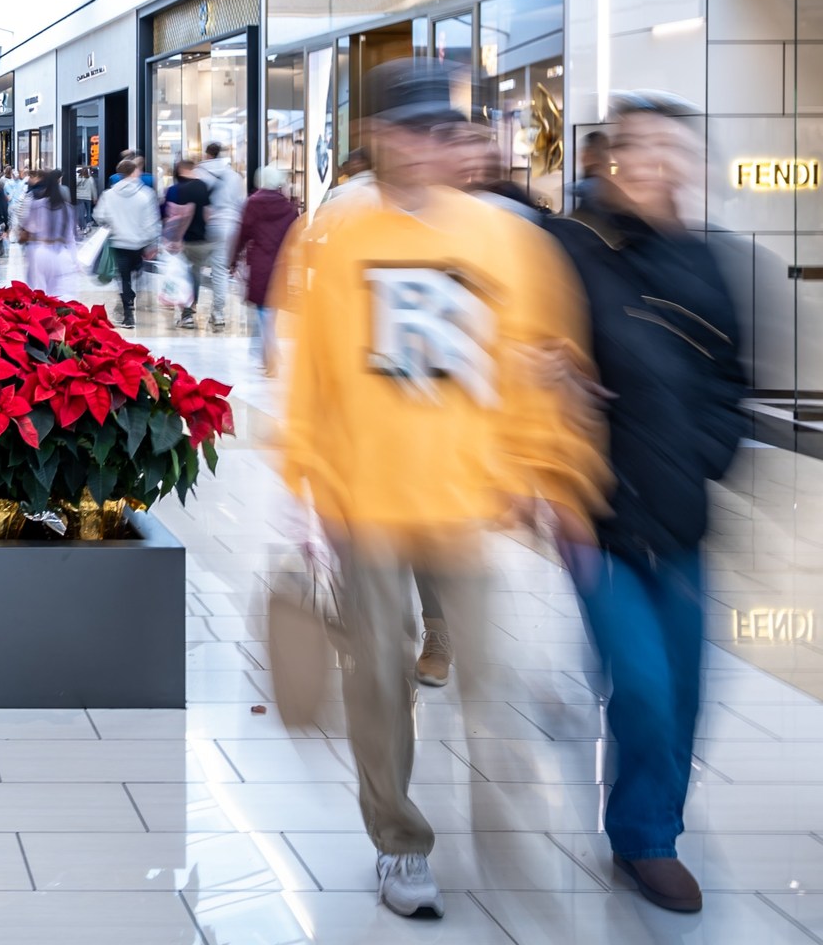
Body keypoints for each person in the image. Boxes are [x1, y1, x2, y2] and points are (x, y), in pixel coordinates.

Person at [279, 60, 604, 921]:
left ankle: (504, 822)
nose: (430, 148)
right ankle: (399, 839)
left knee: (487, 674)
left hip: (466, 500)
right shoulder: (338, 235)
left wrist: (550, 474)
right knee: (380, 678)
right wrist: (303, 491)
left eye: (442, 131)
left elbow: (541, 366)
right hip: (364, 499)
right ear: (380, 138)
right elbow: (309, 372)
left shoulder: (507, 242)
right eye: (411, 131)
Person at [548, 94, 745, 914]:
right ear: (613, 158)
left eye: (677, 150)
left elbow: (732, 384)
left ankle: (653, 812)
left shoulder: (711, 260)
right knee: (644, 684)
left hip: (684, 513)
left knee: (688, 690)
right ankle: (644, 841)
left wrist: (705, 456)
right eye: (644, 148)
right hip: (599, 511)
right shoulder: (569, 249)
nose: (661, 164)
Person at [227, 166, 298, 375]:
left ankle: (271, 357)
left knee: (263, 311)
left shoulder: (253, 203)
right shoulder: (288, 207)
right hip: (281, 264)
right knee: (269, 312)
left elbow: (243, 233)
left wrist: (232, 260)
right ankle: (267, 355)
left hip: (260, 262)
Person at [96, 157, 162, 328]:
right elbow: (151, 221)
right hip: (139, 243)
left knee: (123, 278)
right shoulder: (145, 195)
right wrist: (152, 243)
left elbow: (99, 216)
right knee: (139, 273)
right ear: (134, 172)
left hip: (119, 243)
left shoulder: (109, 195)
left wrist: (113, 225)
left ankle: (128, 313)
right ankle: (138, 300)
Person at [197, 142, 245, 327]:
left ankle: (189, 310)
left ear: (207, 154)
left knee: (194, 268)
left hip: (205, 226)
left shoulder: (199, 173)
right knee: (219, 272)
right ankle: (218, 313)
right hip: (229, 225)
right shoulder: (234, 176)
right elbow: (241, 204)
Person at [161, 160, 213, 329]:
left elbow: (175, 217)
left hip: (184, 241)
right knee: (195, 275)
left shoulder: (178, 190)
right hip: (201, 239)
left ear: (181, 170)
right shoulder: (203, 186)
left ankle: (185, 311)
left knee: (181, 274)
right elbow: (207, 213)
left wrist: (174, 239)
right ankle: (190, 308)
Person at [18, 170, 79, 298]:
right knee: (58, 295)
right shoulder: (67, 208)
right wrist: (75, 260)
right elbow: (70, 238)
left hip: (41, 250)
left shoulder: (37, 205)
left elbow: (29, 227)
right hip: (61, 253)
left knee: (40, 293)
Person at [74, 165, 98, 231]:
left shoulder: (77, 178)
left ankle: (81, 225)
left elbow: (74, 187)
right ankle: (88, 225)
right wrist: (95, 198)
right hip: (88, 197)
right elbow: (93, 189)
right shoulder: (90, 179)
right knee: (88, 211)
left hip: (78, 197)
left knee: (80, 212)